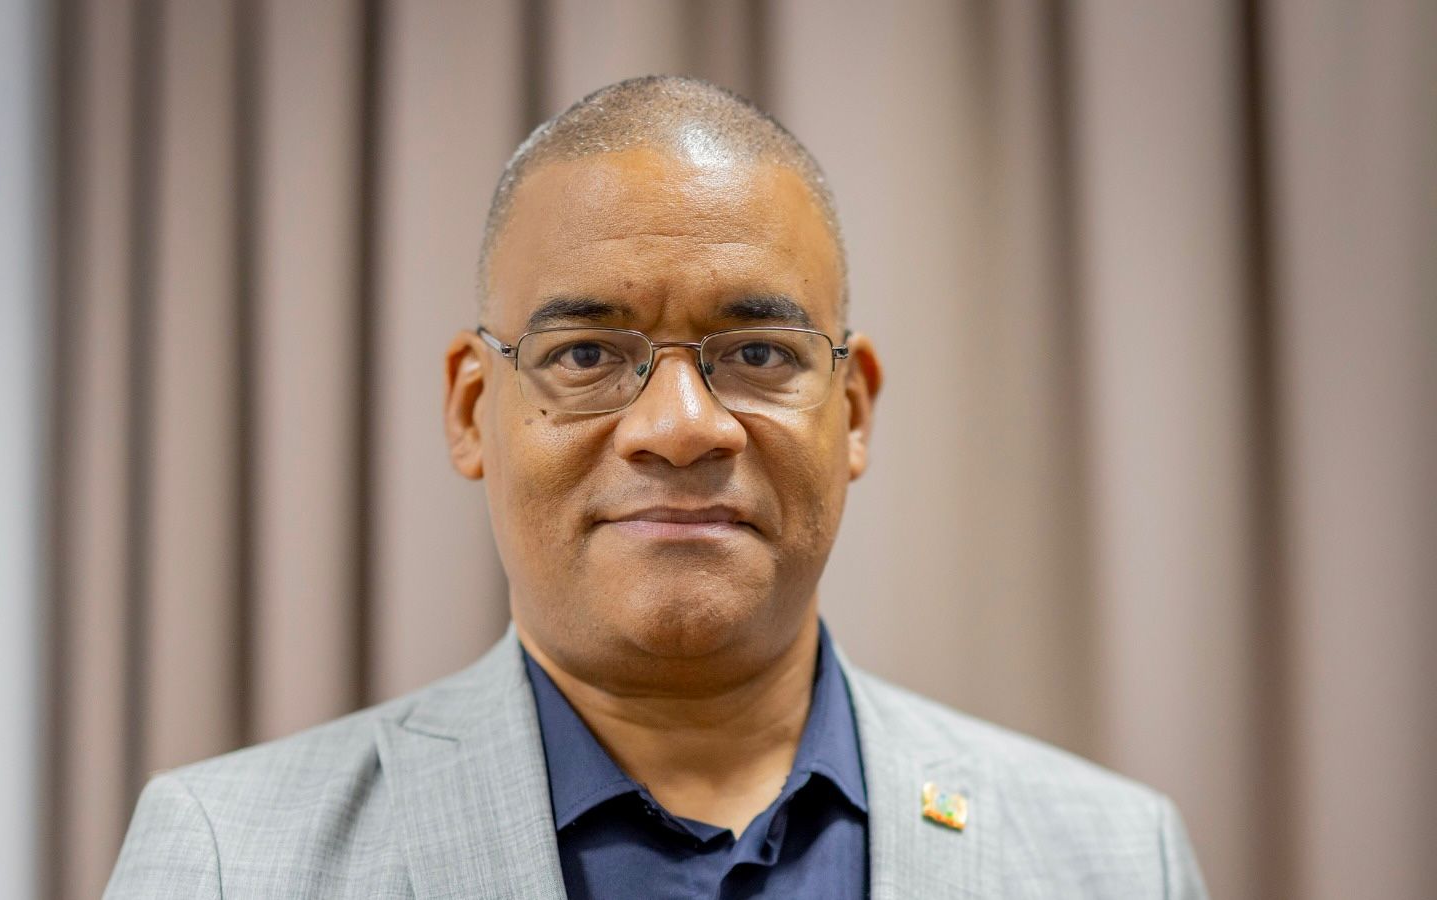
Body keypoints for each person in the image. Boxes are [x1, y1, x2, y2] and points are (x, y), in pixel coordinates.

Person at [105, 76, 1207, 899]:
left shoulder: (1114, 860)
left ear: (855, 410)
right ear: (471, 410)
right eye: (585, 354)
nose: (680, 428)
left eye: (759, 354)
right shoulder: (229, 855)